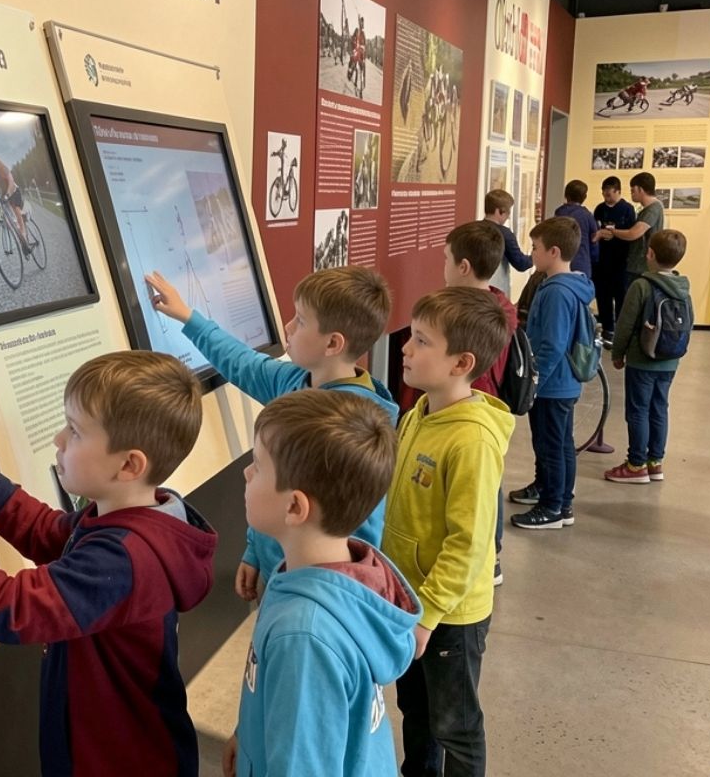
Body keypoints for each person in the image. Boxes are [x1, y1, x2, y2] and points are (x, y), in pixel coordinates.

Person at [0, 351, 216, 775]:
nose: (59, 440)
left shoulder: (125, 558)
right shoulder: (130, 521)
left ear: (129, 464)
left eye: (76, 432)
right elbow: (46, 532)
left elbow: (5, 607)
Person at [145, 265, 397, 600]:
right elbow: (242, 362)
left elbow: (360, 526)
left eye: (301, 321)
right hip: (278, 570)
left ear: (333, 343)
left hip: (320, 591)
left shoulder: (353, 428)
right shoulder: (296, 380)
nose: (288, 327)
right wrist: (255, 551)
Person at [221, 390, 420, 777]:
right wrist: (248, 733)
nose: (246, 473)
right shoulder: (336, 574)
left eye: (257, 466)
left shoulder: (304, 637)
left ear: (294, 507)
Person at [386, 286, 514, 777]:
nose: (406, 348)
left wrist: (429, 617)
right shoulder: (421, 411)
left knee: (454, 723)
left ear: (461, 362)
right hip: (411, 601)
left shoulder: (472, 442)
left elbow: (469, 543)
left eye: (420, 341)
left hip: (450, 617)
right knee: (415, 710)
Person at [442, 221, 518, 586]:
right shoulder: (501, 307)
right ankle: (493, 555)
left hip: (467, 409)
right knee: (488, 483)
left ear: (463, 267)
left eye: (445, 260)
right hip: (487, 406)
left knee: (475, 488)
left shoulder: (462, 318)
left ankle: (489, 556)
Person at [509, 218, 595, 529]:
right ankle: (551, 492)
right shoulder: (567, 284)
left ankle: (553, 507)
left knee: (552, 445)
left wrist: (533, 382)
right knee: (557, 443)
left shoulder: (558, 292)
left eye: (535, 248)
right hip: (560, 384)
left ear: (554, 251)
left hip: (553, 385)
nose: (531, 253)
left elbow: (552, 345)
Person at [604, 230, 692, 484]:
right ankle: (655, 462)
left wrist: (618, 353)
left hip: (642, 359)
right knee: (659, 408)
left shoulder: (641, 285)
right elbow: (690, 323)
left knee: (638, 410)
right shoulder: (683, 287)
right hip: (670, 360)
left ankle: (635, 465)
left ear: (650, 253)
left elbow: (625, 324)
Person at [596, 171, 663, 296]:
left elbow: (634, 233)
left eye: (633, 190)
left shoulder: (653, 209)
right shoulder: (646, 210)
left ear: (640, 189)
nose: (631, 193)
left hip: (641, 267)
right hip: (634, 265)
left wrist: (611, 231)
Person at [593, 176, 638, 347]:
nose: (607, 198)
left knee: (621, 297)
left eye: (610, 195)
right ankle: (607, 328)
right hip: (602, 261)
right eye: (604, 195)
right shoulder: (599, 209)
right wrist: (601, 234)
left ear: (618, 191)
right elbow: (596, 229)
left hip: (620, 261)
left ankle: (620, 331)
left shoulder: (627, 209)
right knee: (603, 296)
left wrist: (615, 233)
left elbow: (630, 233)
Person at [484, 189, 531, 295]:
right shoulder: (504, 234)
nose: (509, 216)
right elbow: (521, 264)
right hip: (496, 290)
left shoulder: (473, 229)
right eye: (508, 212)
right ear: (499, 211)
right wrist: (535, 257)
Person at [554, 180, 599, 278]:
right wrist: (595, 258)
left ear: (566, 195)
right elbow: (594, 239)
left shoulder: (558, 213)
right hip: (582, 263)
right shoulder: (587, 216)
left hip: (560, 261)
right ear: (584, 197)